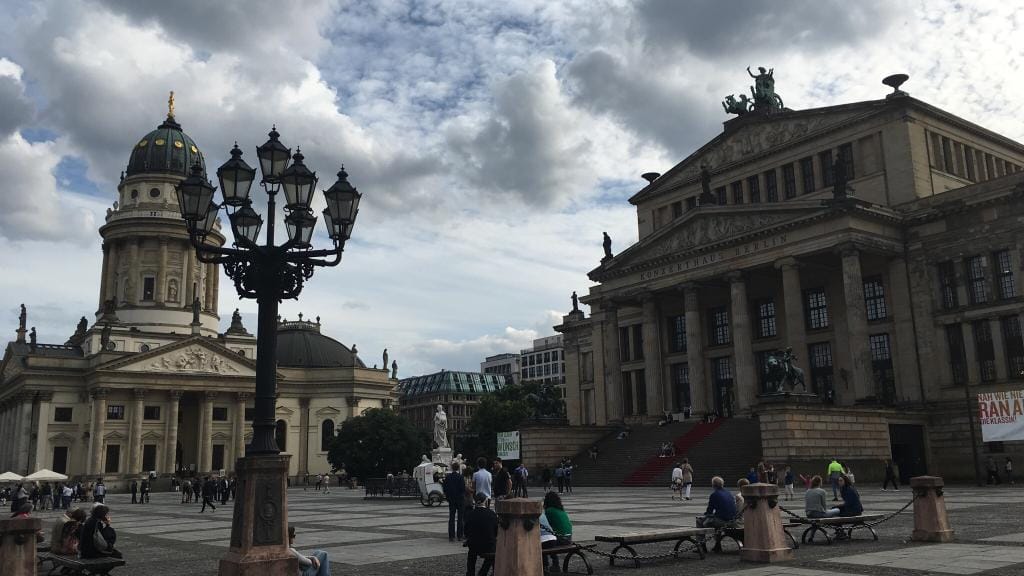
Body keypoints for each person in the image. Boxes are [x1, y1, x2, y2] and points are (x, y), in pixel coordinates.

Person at [464, 492, 497, 576]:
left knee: (471, 555)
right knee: (492, 555)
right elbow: (496, 531)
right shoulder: (491, 514)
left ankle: (470, 573)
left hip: (474, 545)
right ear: (485, 501)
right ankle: (483, 572)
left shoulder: (470, 514)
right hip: (488, 545)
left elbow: (466, 531)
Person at [542, 491, 573, 572]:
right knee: (550, 540)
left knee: (545, 542)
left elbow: (545, 526)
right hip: (569, 538)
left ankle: (547, 565)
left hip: (560, 539)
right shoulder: (561, 510)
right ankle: (555, 564)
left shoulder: (549, 511)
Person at [443, 463, 466, 542]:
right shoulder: (460, 477)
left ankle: (451, 536)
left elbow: (445, 488)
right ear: (458, 468)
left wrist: (448, 497)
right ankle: (459, 535)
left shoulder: (448, 477)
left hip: (451, 499)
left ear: (452, 468)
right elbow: (463, 489)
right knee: (460, 518)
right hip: (460, 499)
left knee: (451, 518)